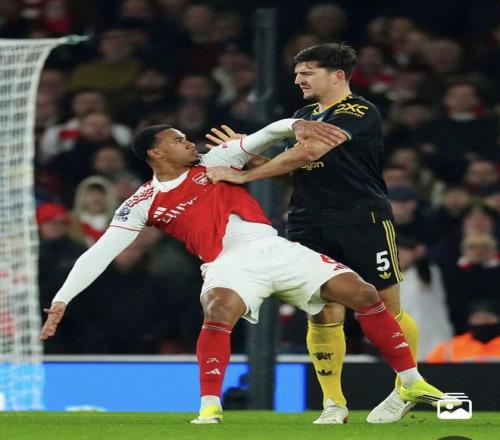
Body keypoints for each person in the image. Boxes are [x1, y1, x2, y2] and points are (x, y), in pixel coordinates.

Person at [40, 118, 452, 424]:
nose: (189, 142)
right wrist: (62, 299)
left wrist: (295, 125)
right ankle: (209, 406)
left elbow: (266, 135)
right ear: (155, 154)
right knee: (218, 309)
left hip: (273, 248)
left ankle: (410, 380)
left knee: (363, 293)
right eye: (178, 140)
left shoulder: (216, 160)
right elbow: (99, 253)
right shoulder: (141, 202)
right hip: (227, 264)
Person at [206, 43, 422, 424]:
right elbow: (297, 169)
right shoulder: (303, 116)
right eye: (297, 73)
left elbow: (308, 154)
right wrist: (246, 154)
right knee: (321, 312)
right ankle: (333, 403)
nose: (298, 80)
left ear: (337, 76)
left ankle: (405, 389)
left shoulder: (358, 112)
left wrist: (245, 176)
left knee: (384, 309)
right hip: (308, 222)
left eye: (307, 72)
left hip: (363, 219)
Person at [427, 300, 500, 363]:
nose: (483, 322)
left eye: (488, 318)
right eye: (478, 318)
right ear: (469, 321)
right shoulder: (449, 347)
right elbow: (429, 370)